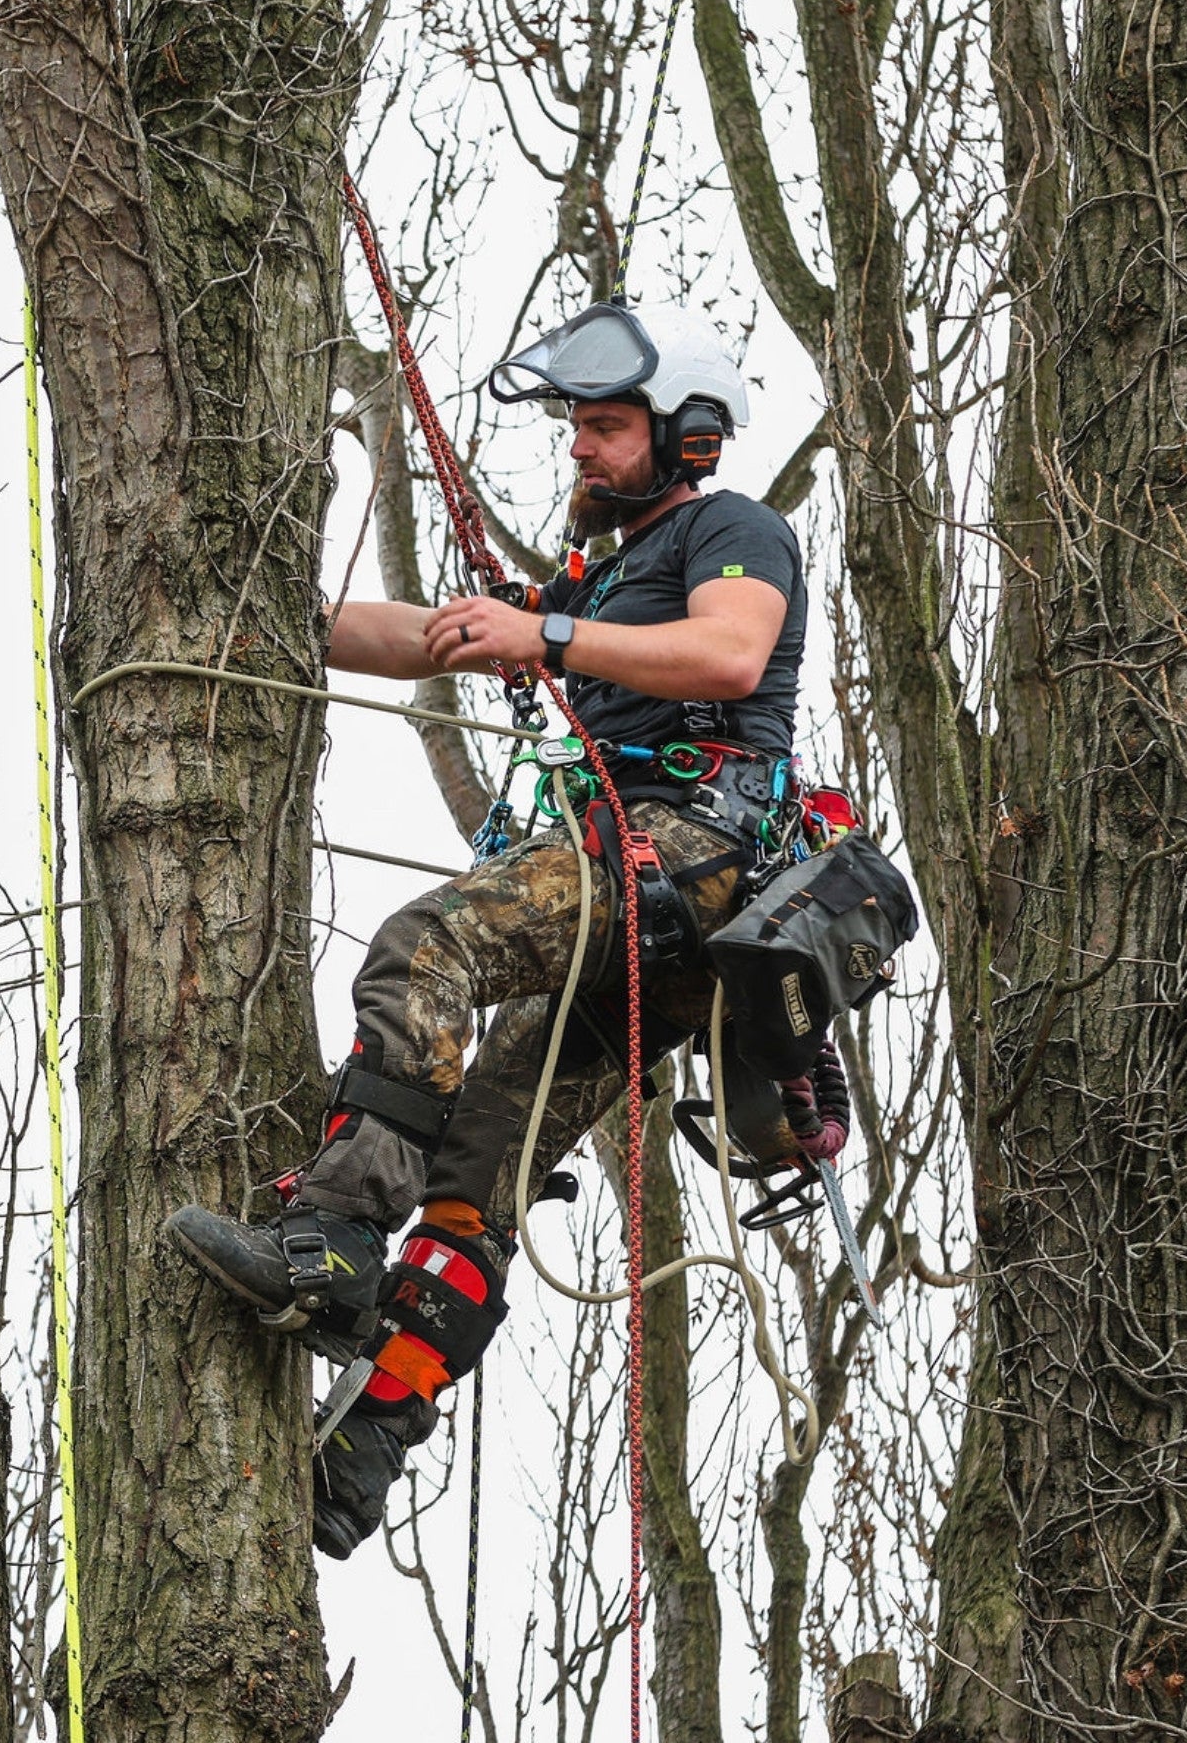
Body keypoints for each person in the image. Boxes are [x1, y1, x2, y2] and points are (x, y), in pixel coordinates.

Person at [168, 300, 814, 1558]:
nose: (580, 448)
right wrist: (262, 614)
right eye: (574, 426)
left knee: (429, 946)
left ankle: (336, 1240)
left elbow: (734, 657)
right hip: (657, 922)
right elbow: (434, 634)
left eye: (607, 427)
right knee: (483, 1167)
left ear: (685, 438)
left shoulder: (733, 530)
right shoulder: (597, 572)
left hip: (690, 854)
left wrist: (549, 633)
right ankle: (366, 1445)